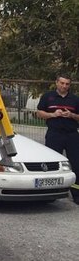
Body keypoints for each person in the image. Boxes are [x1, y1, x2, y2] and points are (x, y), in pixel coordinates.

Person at [36, 75, 79, 204]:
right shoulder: (48, 97)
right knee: (51, 165)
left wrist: (71, 115)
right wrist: (52, 114)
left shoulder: (75, 99)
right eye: (62, 83)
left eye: (67, 84)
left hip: (72, 135)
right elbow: (39, 113)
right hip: (54, 134)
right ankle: (50, 195)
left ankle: (76, 194)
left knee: (76, 165)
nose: (64, 86)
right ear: (56, 83)